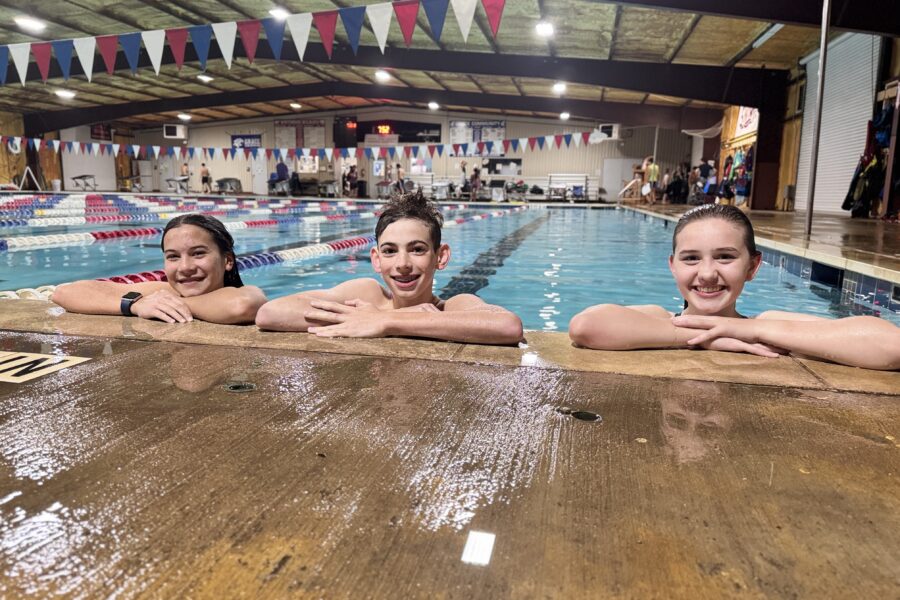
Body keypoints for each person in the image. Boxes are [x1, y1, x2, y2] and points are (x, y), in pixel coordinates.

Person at [568, 204, 900, 370]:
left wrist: (744, 329)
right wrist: (710, 337)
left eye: (725, 257)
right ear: (673, 266)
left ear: (752, 266)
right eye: (691, 258)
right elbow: (586, 326)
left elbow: (891, 345)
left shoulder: (766, 325)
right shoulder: (660, 318)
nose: (707, 274)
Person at [255, 191, 523, 344]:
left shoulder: (452, 307)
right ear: (376, 259)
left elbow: (507, 326)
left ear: (440, 257)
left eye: (417, 249)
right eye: (390, 251)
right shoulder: (366, 294)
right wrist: (379, 315)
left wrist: (386, 321)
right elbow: (269, 313)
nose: (402, 264)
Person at [51, 214, 266, 325]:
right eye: (173, 256)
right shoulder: (164, 292)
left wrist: (164, 304)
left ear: (228, 260)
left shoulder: (243, 293)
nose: (185, 267)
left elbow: (242, 306)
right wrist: (136, 305)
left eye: (198, 253)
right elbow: (64, 293)